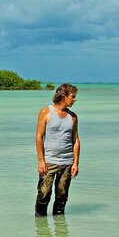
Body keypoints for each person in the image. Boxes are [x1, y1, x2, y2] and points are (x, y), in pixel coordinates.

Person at [34, 83, 81, 216]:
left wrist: (76, 163)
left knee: (62, 197)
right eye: (72, 96)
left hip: (67, 162)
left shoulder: (73, 117)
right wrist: (41, 160)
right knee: (43, 195)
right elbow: (39, 136)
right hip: (49, 161)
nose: (75, 99)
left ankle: (60, 231)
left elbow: (76, 140)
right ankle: (41, 230)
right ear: (63, 96)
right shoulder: (45, 112)